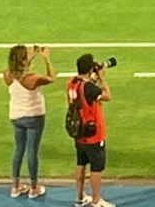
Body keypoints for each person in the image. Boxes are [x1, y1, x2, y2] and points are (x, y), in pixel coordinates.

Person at [3, 42, 54, 199]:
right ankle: (33, 188)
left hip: (16, 117)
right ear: (23, 61)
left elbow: (19, 71)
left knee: (19, 150)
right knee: (32, 151)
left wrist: (32, 55)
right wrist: (46, 59)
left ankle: (15, 186)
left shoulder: (7, 74)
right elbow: (51, 78)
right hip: (34, 117)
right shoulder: (33, 79)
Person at [65, 54, 111, 207]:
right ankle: (96, 200)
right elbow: (107, 96)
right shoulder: (90, 88)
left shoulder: (71, 83)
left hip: (79, 132)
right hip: (93, 133)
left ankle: (79, 197)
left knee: (80, 163)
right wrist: (102, 79)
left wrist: (92, 80)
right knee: (96, 168)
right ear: (91, 69)